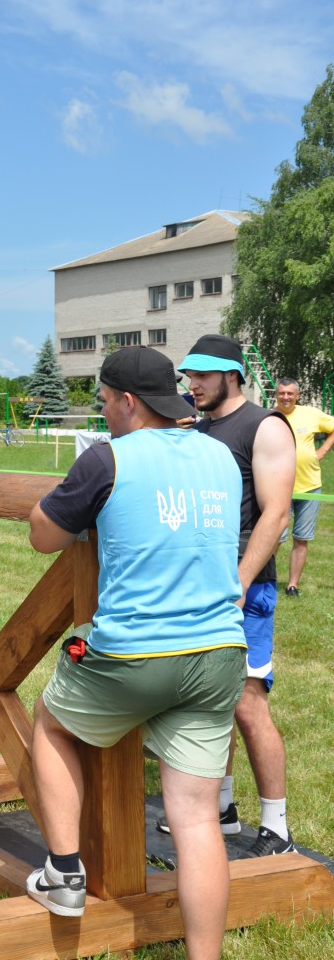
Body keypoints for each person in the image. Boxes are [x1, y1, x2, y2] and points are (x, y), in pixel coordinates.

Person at [26, 346, 247, 960]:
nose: (101, 410)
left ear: (124, 400)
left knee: (50, 723)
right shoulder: (216, 453)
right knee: (197, 818)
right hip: (219, 653)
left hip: (134, 653)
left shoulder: (107, 458)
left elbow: (41, 535)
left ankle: (64, 872)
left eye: (103, 399)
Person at [163, 334, 296, 858]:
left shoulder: (265, 427)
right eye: (187, 376)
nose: (190, 384)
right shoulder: (198, 428)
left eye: (201, 375)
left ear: (231, 375)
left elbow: (276, 514)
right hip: (199, 585)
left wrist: (238, 585)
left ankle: (277, 829)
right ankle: (221, 808)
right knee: (205, 701)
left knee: (246, 704)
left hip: (244, 588)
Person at [275, 377, 334, 597]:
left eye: (290, 393)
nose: (286, 397)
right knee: (274, 538)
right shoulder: (270, 417)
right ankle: (266, 581)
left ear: (297, 396)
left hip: (310, 488)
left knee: (301, 538)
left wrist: (323, 451)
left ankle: (292, 586)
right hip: (279, 487)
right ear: (276, 395)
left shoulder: (311, 414)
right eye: (282, 393)